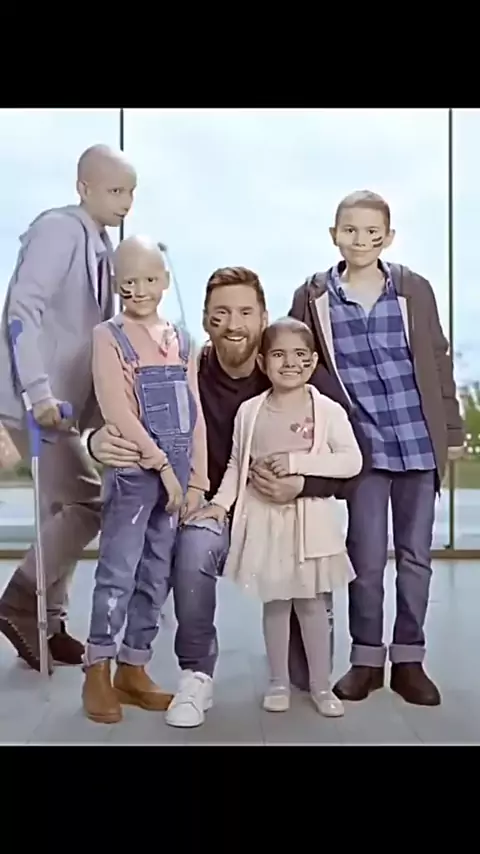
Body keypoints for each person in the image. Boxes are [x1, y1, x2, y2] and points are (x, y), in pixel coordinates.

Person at [88, 266, 365, 728]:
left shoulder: (301, 374)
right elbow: (125, 407)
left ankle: (311, 676)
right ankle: (196, 674)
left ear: (263, 317)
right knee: (193, 545)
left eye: (245, 312)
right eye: (221, 313)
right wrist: (96, 440)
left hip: (289, 514)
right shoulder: (186, 369)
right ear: (205, 319)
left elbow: (355, 464)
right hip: (217, 508)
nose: (234, 324)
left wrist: (303, 483)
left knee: (305, 661)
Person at [288, 189, 464, 707]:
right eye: (350, 230)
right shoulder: (313, 296)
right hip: (362, 449)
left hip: (418, 442)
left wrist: (452, 430)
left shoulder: (413, 289)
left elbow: (438, 360)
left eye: (372, 232)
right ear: (334, 235)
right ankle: (365, 661)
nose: (360, 240)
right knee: (364, 558)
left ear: (388, 237)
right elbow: (299, 363)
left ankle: (409, 660)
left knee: (415, 558)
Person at [0, 144, 137, 673]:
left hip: (65, 407)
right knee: (88, 503)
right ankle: (19, 599)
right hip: (38, 403)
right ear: (83, 188)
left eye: (130, 192)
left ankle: (48, 624)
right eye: (115, 190)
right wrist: (37, 392)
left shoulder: (100, 245)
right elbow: (23, 309)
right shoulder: (59, 230)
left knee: (58, 514)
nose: (125, 202)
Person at [187, 317, 362, 715]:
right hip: (266, 522)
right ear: (262, 362)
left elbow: (351, 460)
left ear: (312, 361)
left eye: (300, 355)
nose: (290, 363)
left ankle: (321, 686)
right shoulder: (250, 411)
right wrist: (220, 504)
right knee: (277, 604)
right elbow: (236, 465)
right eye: (279, 355)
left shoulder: (328, 410)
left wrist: (297, 463)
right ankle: (278, 681)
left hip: (310, 523)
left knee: (312, 604)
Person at [81, 236, 209, 724]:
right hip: (136, 473)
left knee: (157, 573)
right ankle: (97, 668)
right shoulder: (108, 336)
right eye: (128, 281)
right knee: (119, 570)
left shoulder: (182, 340)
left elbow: (194, 415)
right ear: (117, 283)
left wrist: (195, 479)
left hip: (177, 477)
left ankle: (133, 667)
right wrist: (162, 467)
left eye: (149, 279)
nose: (139, 290)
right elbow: (117, 410)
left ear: (165, 280)